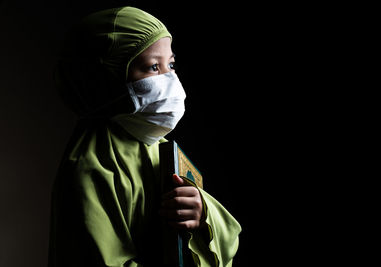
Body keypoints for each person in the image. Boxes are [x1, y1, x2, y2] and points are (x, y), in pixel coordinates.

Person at [48, 6, 241, 267]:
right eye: (152, 67)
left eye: (170, 64)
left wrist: (202, 214)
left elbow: (227, 237)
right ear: (108, 80)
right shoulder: (92, 168)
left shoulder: (156, 145)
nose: (170, 79)